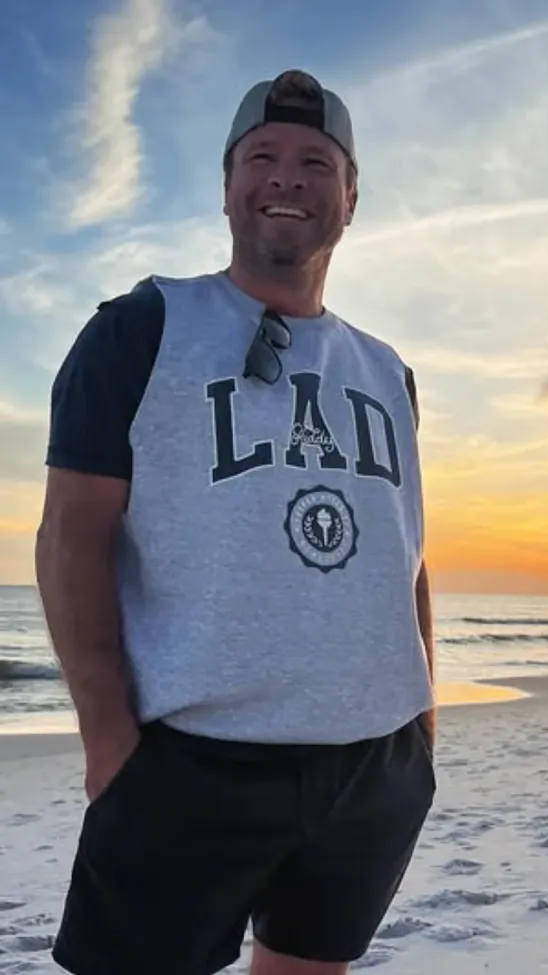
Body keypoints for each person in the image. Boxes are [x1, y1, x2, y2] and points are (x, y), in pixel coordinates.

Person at [35, 68, 437, 975]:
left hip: (373, 764)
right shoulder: (141, 329)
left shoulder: (388, 371)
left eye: (315, 161)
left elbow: (406, 553)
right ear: (227, 187)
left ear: (351, 196)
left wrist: (422, 722)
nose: (287, 177)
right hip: (191, 760)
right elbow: (71, 537)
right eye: (262, 157)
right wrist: (109, 738)